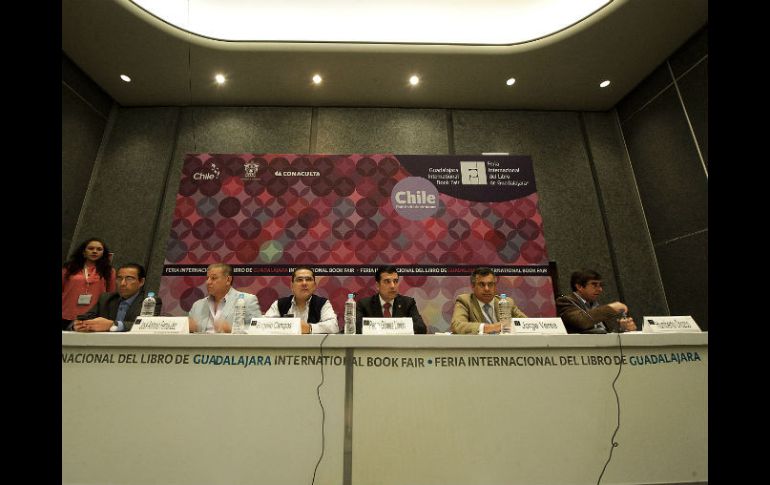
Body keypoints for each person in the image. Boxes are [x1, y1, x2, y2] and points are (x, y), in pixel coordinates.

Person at [69, 263, 161, 332]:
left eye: (129, 279)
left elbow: (148, 326)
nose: (123, 283)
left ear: (141, 282)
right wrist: (78, 325)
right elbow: (85, 317)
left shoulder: (150, 301)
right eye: (119, 278)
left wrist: (113, 325)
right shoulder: (106, 299)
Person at [556, 269, 636, 333]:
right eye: (594, 285)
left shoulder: (595, 306)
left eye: (600, 285)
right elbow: (582, 321)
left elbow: (606, 332)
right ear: (579, 286)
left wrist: (622, 329)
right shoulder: (565, 302)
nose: (600, 289)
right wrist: (610, 308)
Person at [188, 263, 261, 333]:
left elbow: (259, 328)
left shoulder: (247, 300)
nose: (208, 282)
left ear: (228, 280)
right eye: (207, 278)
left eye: (213, 278)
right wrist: (186, 328)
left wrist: (231, 329)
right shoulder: (197, 305)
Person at [263, 266, 339, 334]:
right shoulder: (279, 304)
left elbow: (333, 326)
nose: (304, 283)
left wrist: (309, 328)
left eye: (308, 279)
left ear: (314, 286)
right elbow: (263, 325)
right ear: (292, 286)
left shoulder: (323, 303)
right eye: (299, 280)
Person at [450, 267, 526, 334]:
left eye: (490, 284)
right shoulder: (465, 301)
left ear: (495, 286)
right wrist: (491, 327)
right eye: (482, 284)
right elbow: (457, 325)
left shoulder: (507, 302)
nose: (487, 289)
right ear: (473, 286)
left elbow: (527, 323)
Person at [62, 237, 116, 330]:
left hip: (94, 315)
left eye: (99, 249)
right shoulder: (69, 268)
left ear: (103, 253)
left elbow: (110, 294)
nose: (94, 251)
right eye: (91, 248)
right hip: (67, 313)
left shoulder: (109, 271)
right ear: (83, 252)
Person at [355, 265, 426, 334]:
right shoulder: (364, 305)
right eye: (387, 281)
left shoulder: (408, 303)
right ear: (377, 285)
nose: (393, 286)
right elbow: (355, 328)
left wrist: (383, 327)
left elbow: (421, 328)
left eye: (395, 281)